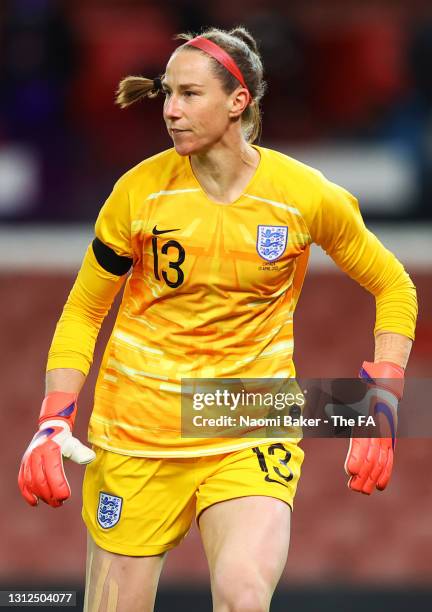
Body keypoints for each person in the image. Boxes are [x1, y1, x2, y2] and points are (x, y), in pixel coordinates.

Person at [18, 26, 417, 612]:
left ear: (239, 103)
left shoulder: (304, 196)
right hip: (138, 432)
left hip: (248, 416)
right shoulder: (138, 194)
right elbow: (83, 310)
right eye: (167, 95)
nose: (171, 112)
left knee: (242, 594)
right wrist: (54, 419)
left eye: (189, 95)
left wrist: (383, 401)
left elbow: (393, 284)